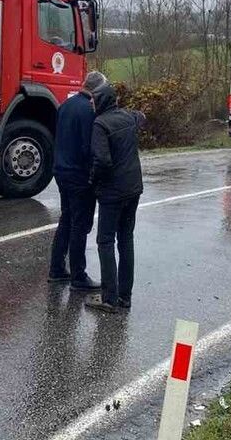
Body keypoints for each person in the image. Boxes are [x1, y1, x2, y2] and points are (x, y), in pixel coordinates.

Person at [85, 83, 146, 314]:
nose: (91, 103)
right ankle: (124, 296)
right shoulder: (129, 117)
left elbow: (102, 161)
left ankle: (109, 298)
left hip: (112, 192)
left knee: (105, 241)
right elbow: (142, 117)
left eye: (93, 100)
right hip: (133, 188)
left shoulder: (100, 124)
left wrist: (93, 181)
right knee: (126, 239)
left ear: (101, 101)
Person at [48, 71, 108, 290]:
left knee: (66, 219)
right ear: (97, 90)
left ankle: (56, 269)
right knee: (79, 225)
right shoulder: (89, 111)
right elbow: (88, 147)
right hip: (79, 176)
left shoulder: (66, 105)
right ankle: (78, 276)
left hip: (61, 171)